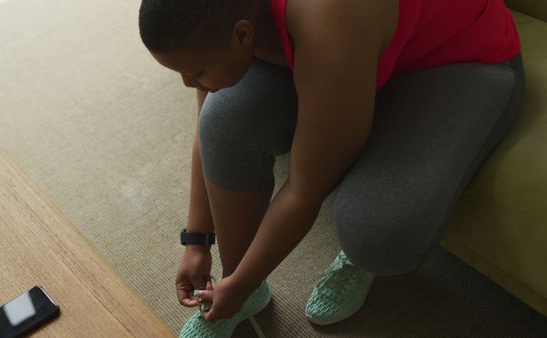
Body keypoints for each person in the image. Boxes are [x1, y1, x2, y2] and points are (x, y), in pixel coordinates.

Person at [139, 0, 525, 336]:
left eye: (197, 72)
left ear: (243, 33)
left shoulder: (329, 22)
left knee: (377, 229)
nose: (190, 84)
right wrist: (197, 241)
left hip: (451, 58)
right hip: (357, 45)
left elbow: (305, 189)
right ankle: (242, 290)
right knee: (223, 122)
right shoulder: (214, 17)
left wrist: (240, 281)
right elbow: (208, 107)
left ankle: (349, 263)